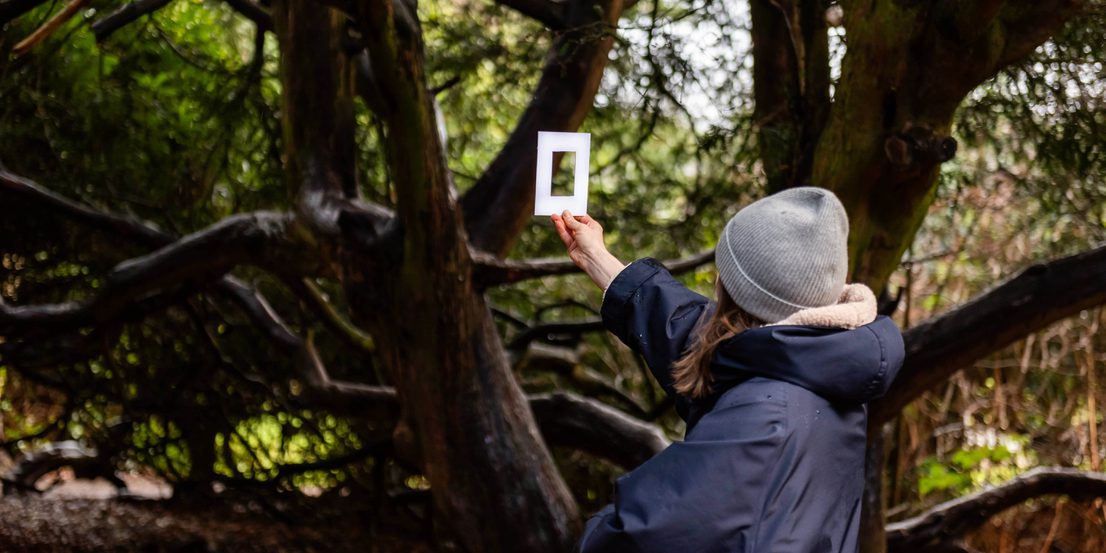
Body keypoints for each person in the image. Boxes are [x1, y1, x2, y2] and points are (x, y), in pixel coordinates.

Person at [551, 187, 905, 553]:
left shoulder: (764, 421)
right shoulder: (820, 360)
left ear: (730, 287)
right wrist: (599, 258)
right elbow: (699, 336)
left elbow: (640, 536)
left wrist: (592, 533)